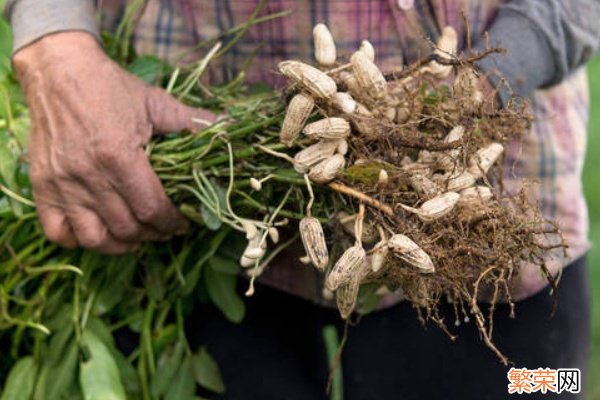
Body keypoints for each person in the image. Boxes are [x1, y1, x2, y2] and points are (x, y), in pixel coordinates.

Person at [4, 0, 600, 398]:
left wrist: (503, 65)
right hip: (184, 222)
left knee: (547, 384)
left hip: (496, 227)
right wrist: (56, 47)